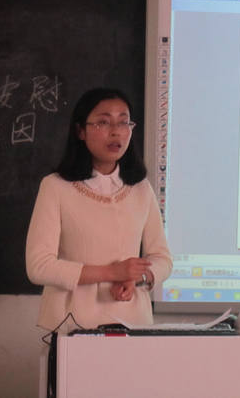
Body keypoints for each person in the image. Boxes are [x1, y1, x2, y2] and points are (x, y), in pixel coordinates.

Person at [26, 87, 172, 332]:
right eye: (103, 122)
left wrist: (136, 277)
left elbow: (162, 259)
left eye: (124, 122)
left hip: (132, 324)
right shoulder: (55, 186)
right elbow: (39, 266)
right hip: (72, 324)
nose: (116, 131)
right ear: (80, 131)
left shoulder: (140, 188)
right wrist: (112, 272)